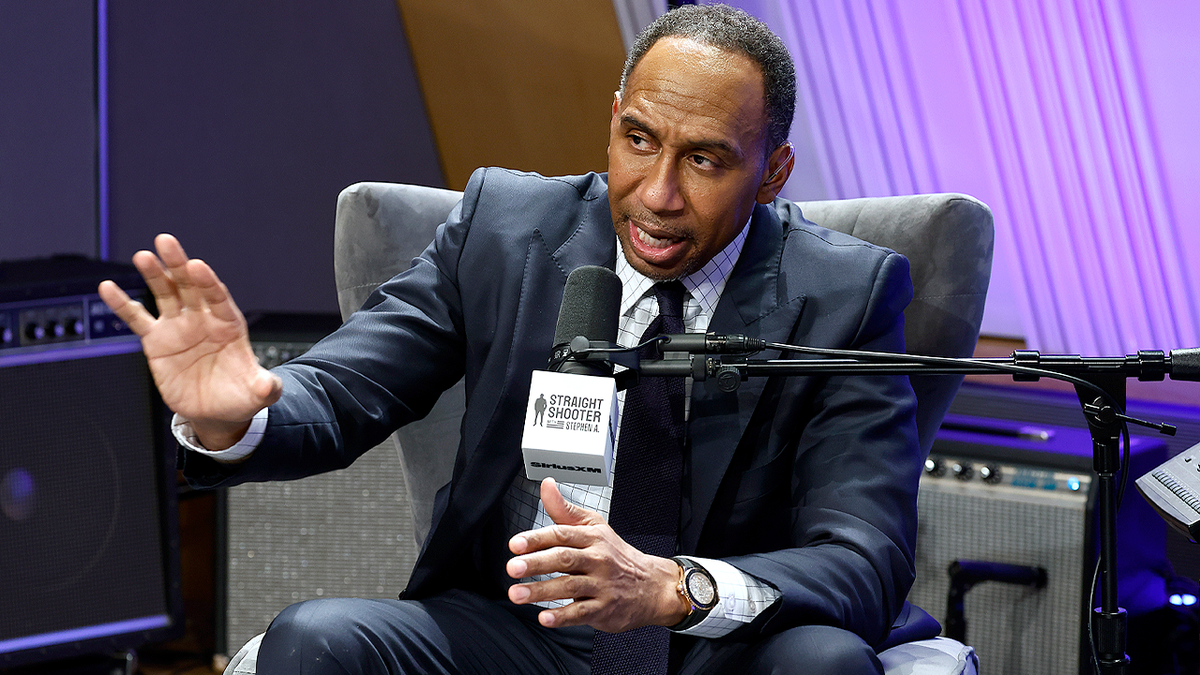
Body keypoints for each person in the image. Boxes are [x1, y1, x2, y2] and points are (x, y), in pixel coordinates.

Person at [100, 5, 923, 674]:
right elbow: (348, 388)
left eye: (705, 159)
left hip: (718, 643)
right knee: (315, 637)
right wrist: (235, 417)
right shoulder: (504, 230)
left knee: (827, 662)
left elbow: (864, 555)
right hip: (517, 632)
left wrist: (675, 586)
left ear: (772, 173)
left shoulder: (845, 294)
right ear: (612, 122)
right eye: (639, 140)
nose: (659, 194)